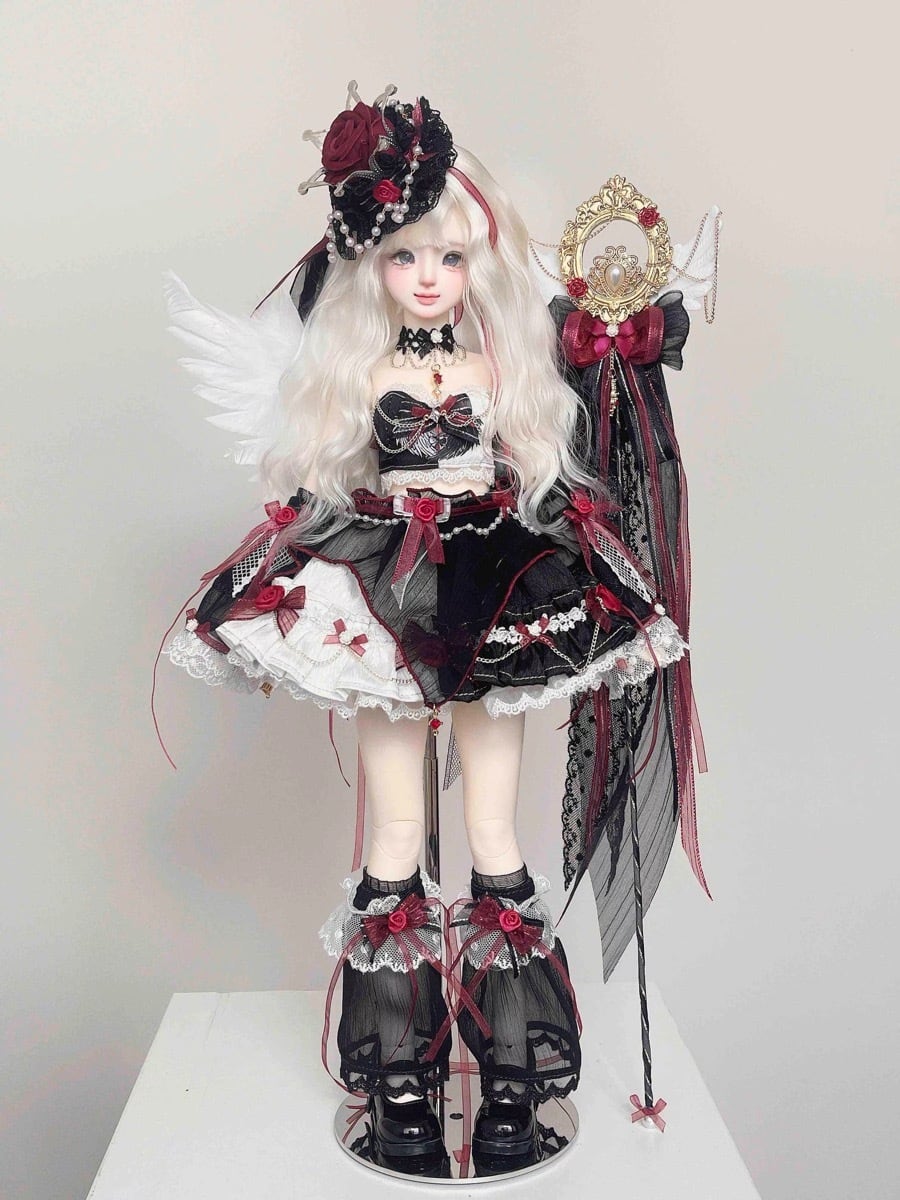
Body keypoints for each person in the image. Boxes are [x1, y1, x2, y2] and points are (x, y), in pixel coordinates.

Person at [161, 85, 694, 1173]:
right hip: (386, 586)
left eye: (449, 258)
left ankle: (512, 1073)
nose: (428, 278)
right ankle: (401, 1076)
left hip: (498, 584)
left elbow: (553, 452)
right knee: (395, 838)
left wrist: (618, 363)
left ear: (476, 266)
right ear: (371, 265)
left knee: (494, 837)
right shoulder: (353, 371)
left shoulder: (507, 366)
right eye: (406, 257)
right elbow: (320, 469)